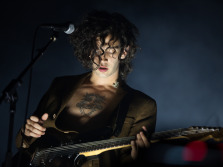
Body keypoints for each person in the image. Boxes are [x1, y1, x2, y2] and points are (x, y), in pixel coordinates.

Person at [15, 10, 157, 167]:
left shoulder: (142, 106)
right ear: (89, 51)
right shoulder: (61, 85)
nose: (102, 58)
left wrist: (138, 159)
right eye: (97, 49)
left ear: (124, 51)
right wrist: (27, 132)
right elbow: (23, 144)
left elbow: (127, 160)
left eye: (111, 50)